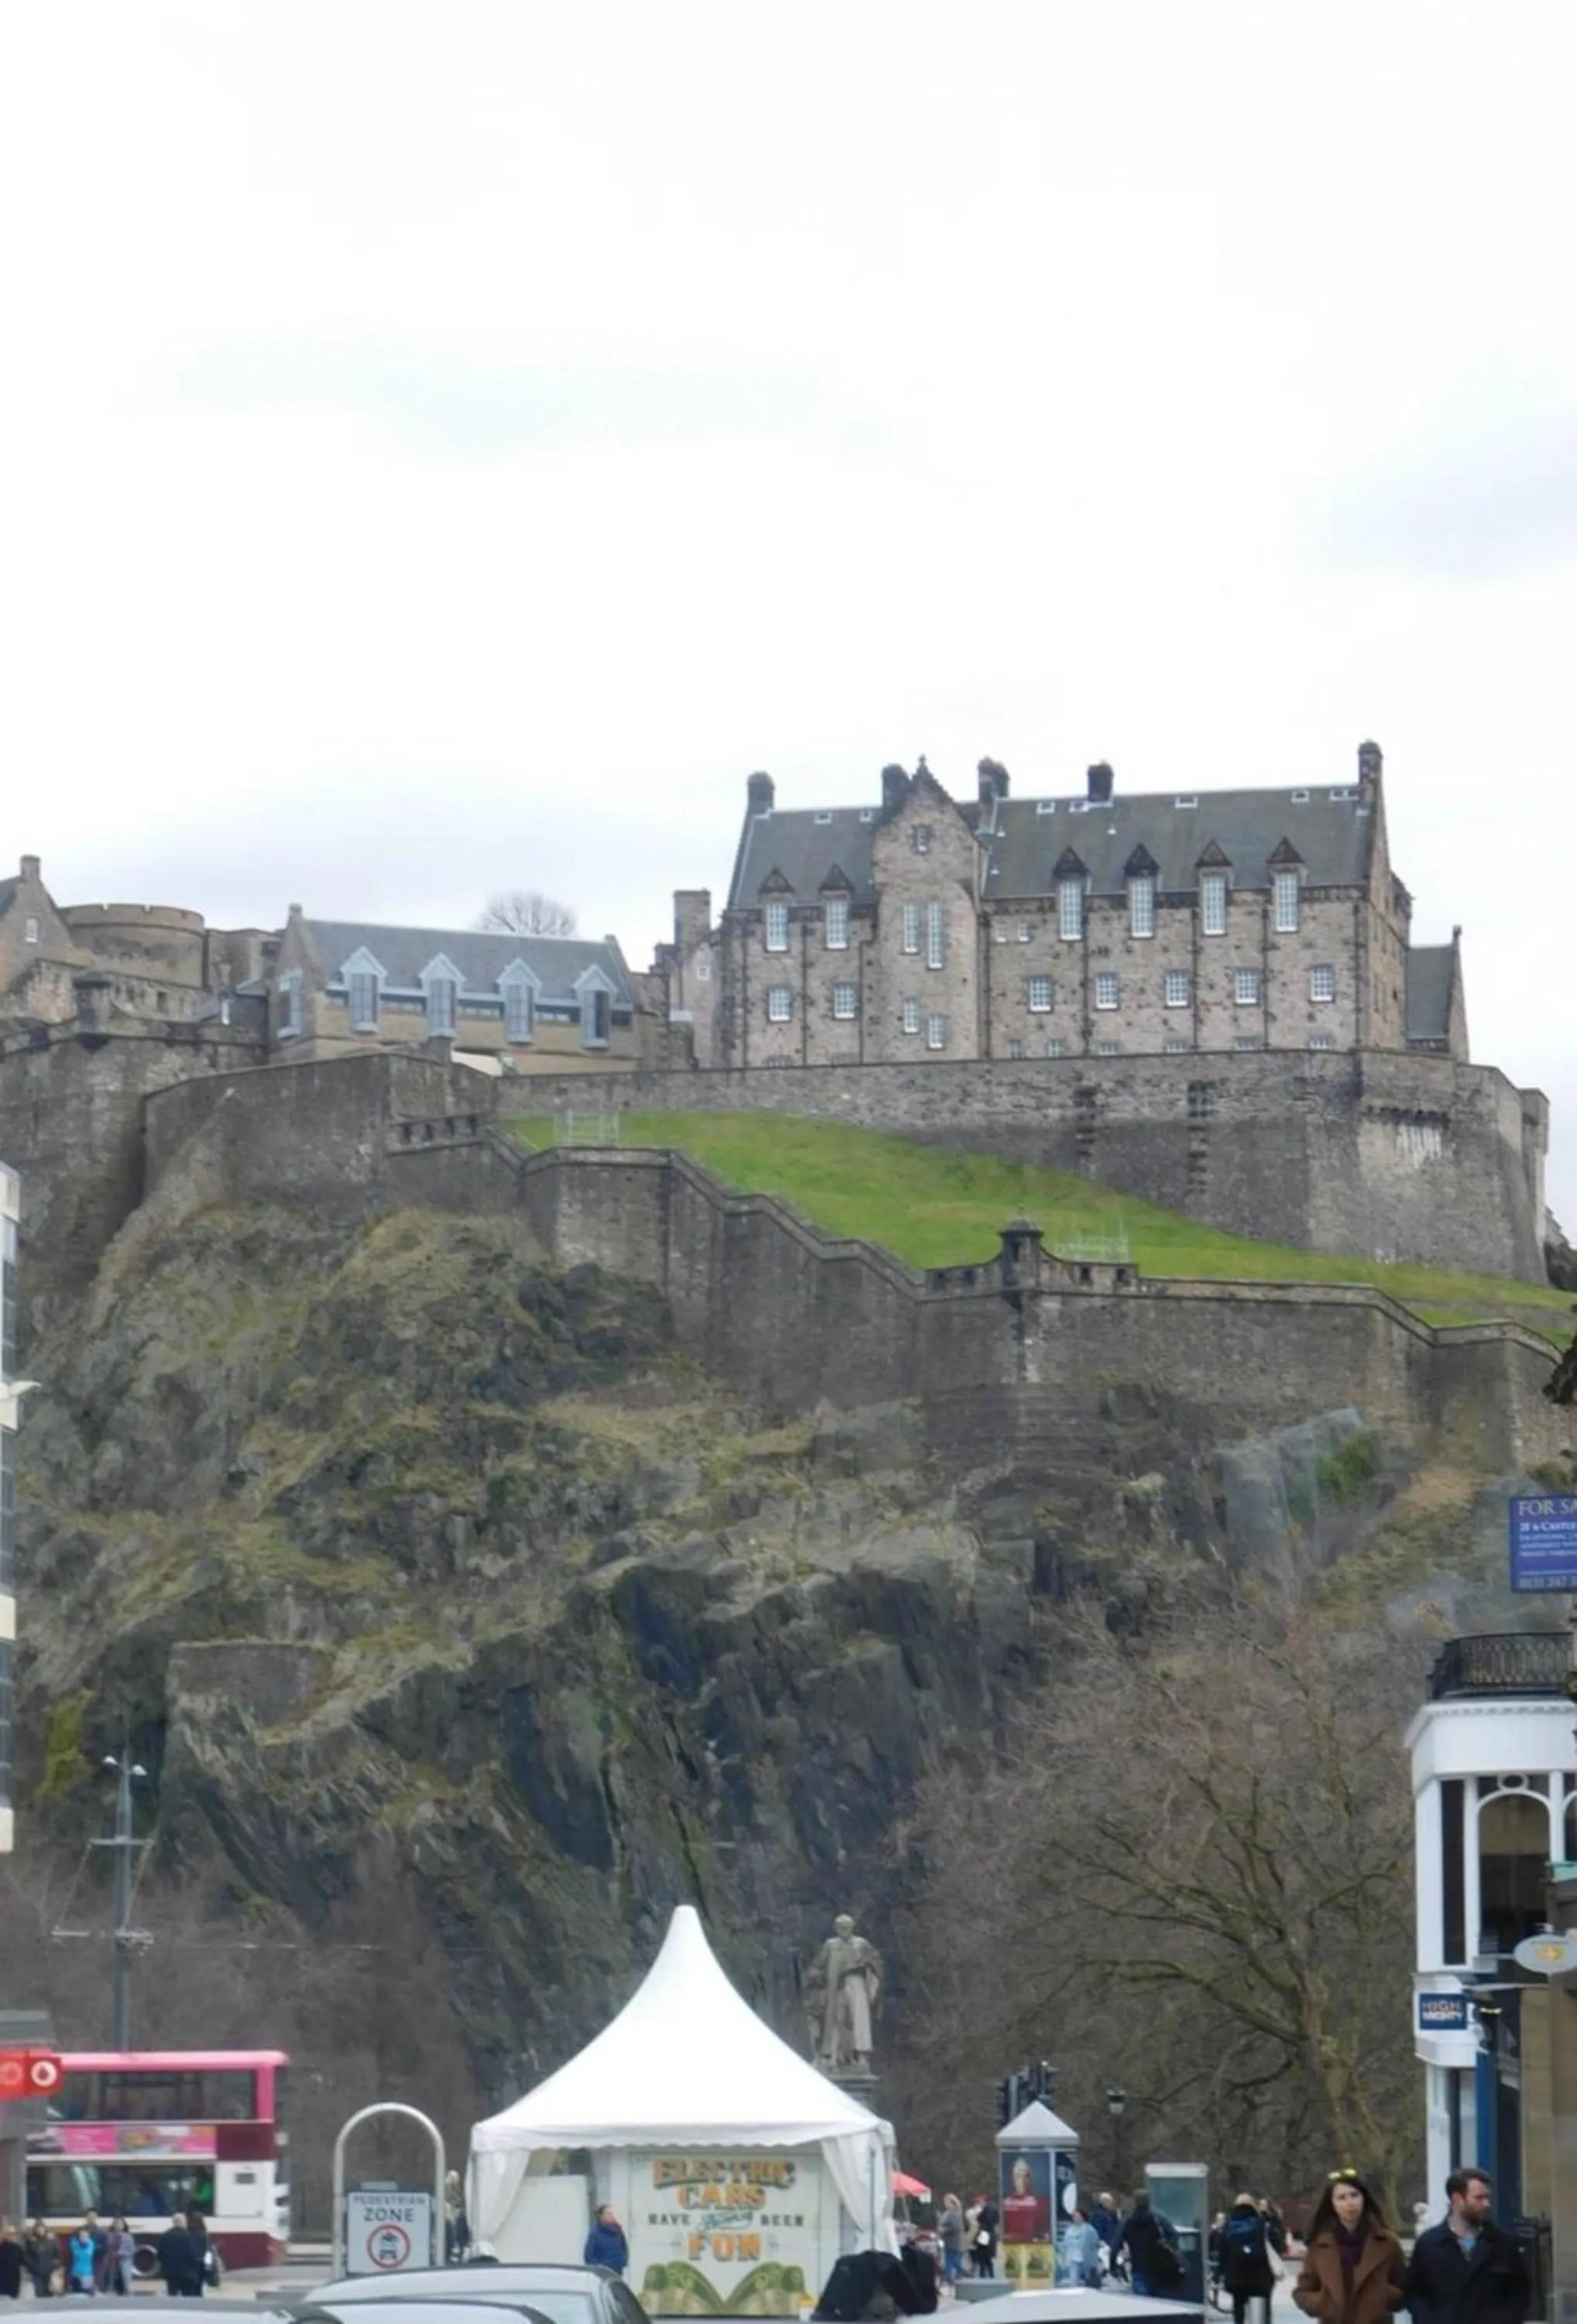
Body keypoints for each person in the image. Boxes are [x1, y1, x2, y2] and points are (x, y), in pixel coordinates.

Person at [1404, 2168, 1531, 2324]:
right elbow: (1414, 2293)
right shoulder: (1430, 2245)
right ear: (1457, 2199)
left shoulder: (1502, 2244)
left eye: (1487, 2197)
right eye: (1479, 2198)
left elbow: (1521, 2292)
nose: (1486, 2204)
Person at [1294, 2168, 1407, 2324]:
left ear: (1364, 2198)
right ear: (1332, 2204)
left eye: (1354, 2195)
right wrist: (1322, 2303)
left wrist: (1382, 2296)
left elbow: (1404, 2285)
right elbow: (1303, 2291)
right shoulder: (1320, 2245)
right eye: (1341, 2198)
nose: (1350, 2202)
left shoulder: (1387, 2242)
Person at [1219, 2192, 1276, 2324]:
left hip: (1237, 2275)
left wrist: (1222, 2272)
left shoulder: (1229, 2224)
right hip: (1260, 2275)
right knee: (1262, 2311)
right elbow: (1273, 2244)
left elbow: (1223, 2250)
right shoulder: (1261, 2223)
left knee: (1238, 2308)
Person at [1116, 2192, 1182, 2297]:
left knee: (1142, 2303)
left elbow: (1117, 2242)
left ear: (1135, 2202)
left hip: (1138, 2265)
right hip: (1158, 2266)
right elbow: (1174, 2235)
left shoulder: (1128, 2220)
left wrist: (1113, 2265)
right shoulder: (1158, 2217)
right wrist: (1168, 2246)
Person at [1059, 2206, 1104, 2288]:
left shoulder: (1089, 2230)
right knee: (1073, 2280)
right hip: (1072, 2258)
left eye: (1078, 2217)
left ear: (1083, 2218)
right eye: (1074, 2216)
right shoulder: (1069, 2230)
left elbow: (1094, 2244)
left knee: (1088, 2279)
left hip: (1086, 2258)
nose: (1075, 2218)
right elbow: (1065, 2243)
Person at [583, 2204, 629, 2275]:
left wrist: (623, 2261)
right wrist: (599, 2268)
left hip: (617, 2271)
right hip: (603, 2273)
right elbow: (589, 2255)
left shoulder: (618, 2230)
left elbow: (624, 2247)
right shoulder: (595, 2233)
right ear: (601, 2216)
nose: (611, 2216)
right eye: (608, 2214)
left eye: (611, 2213)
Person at [22, 2222, 57, 2301]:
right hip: (37, 2272)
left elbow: (56, 2254)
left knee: (49, 2294)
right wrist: (32, 2267)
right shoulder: (31, 2241)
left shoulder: (51, 2240)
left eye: (42, 2229)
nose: (40, 2231)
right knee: (39, 2294)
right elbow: (27, 2256)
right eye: (38, 2229)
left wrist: (54, 2265)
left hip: (49, 2271)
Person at [102, 2219, 135, 2298]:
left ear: (124, 2226)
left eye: (120, 2224)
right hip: (112, 2262)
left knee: (125, 2280)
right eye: (116, 2224)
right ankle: (111, 2289)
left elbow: (131, 2251)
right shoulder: (109, 2236)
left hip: (124, 2262)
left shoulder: (128, 2237)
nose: (118, 2226)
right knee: (111, 2279)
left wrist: (122, 2253)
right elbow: (106, 2248)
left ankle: (127, 2292)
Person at [937, 2194, 965, 2284]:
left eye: (947, 2202)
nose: (946, 2204)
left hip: (953, 2240)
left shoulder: (955, 2214)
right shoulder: (948, 2213)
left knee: (951, 2259)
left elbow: (957, 2227)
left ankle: (955, 2274)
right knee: (950, 2258)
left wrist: (944, 2230)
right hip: (947, 2240)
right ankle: (951, 2275)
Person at [66, 2223, 98, 2298]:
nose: (84, 2237)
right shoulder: (74, 2244)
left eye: (86, 2235)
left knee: (87, 2295)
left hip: (88, 2274)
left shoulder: (91, 2244)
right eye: (82, 2235)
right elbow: (73, 2242)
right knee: (76, 2295)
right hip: (76, 2274)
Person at [1089, 2194, 1122, 2264]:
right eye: (1110, 2202)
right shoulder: (1099, 2214)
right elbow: (1098, 2229)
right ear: (1104, 2201)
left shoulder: (1108, 2213)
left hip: (1108, 2242)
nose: (1111, 2204)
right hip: (1104, 2243)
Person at [971, 2195, 998, 2279]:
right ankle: (991, 2274)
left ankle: (982, 2274)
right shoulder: (995, 2209)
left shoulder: (986, 2210)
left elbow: (979, 2219)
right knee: (988, 2258)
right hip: (991, 2234)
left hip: (984, 2234)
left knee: (982, 2256)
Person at [0, 2228, 24, 2303]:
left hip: (14, 2278)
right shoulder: (1, 2248)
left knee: (14, 2299)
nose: (12, 2236)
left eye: (13, 2234)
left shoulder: (17, 2248)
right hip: (2, 2278)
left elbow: (23, 2261)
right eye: (9, 2234)